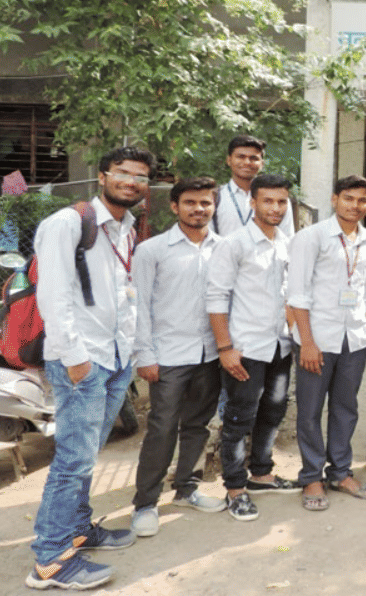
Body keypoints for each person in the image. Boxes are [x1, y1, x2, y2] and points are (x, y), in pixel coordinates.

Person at [26, 146, 155, 590]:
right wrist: (74, 358)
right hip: (82, 360)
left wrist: (134, 353)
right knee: (73, 461)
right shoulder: (67, 223)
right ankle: (51, 559)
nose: (131, 181)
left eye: (140, 176)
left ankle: (79, 527)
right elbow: (54, 296)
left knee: (86, 456)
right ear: (102, 176)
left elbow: (122, 295)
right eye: (122, 172)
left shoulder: (127, 228)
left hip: (116, 357)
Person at [129, 177, 227, 538]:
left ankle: (186, 489)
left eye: (205, 203)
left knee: (198, 426)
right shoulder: (152, 250)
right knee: (162, 428)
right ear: (175, 206)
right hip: (167, 355)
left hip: (211, 353)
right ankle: (146, 504)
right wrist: (144, 353)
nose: (198, 209)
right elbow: (138, 305)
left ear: (214, 207)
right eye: (190, 202)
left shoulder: (224, 248)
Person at [207, 174, 297, 522]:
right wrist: (225, 347)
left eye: (281, 201)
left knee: (274, 410)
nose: (275, 208)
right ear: (253, 203)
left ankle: (261, 473)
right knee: (239, 417)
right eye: (268, 201)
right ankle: (235, 488)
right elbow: (216, 298)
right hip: (245, 347)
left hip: (280, 344)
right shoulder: (234, 244)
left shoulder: (287, 243)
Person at [288, 175, 366, 511]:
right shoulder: (310, 238)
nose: (354, 205)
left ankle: (340, 472)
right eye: (348, 198)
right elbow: (297, 294)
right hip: (318, 338)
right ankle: (312, 476)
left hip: (354, 339)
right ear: (334, 199)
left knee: (346, 408)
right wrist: (308, 343)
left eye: (362, 200)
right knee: (310, 411)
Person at [211, 135, 295, 238]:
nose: (247, 162)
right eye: (241, 157)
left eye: (253, 158)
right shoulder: (215, 197)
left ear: (262, 164)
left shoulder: (278, 199)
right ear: (229, 160)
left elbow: (288, 238)